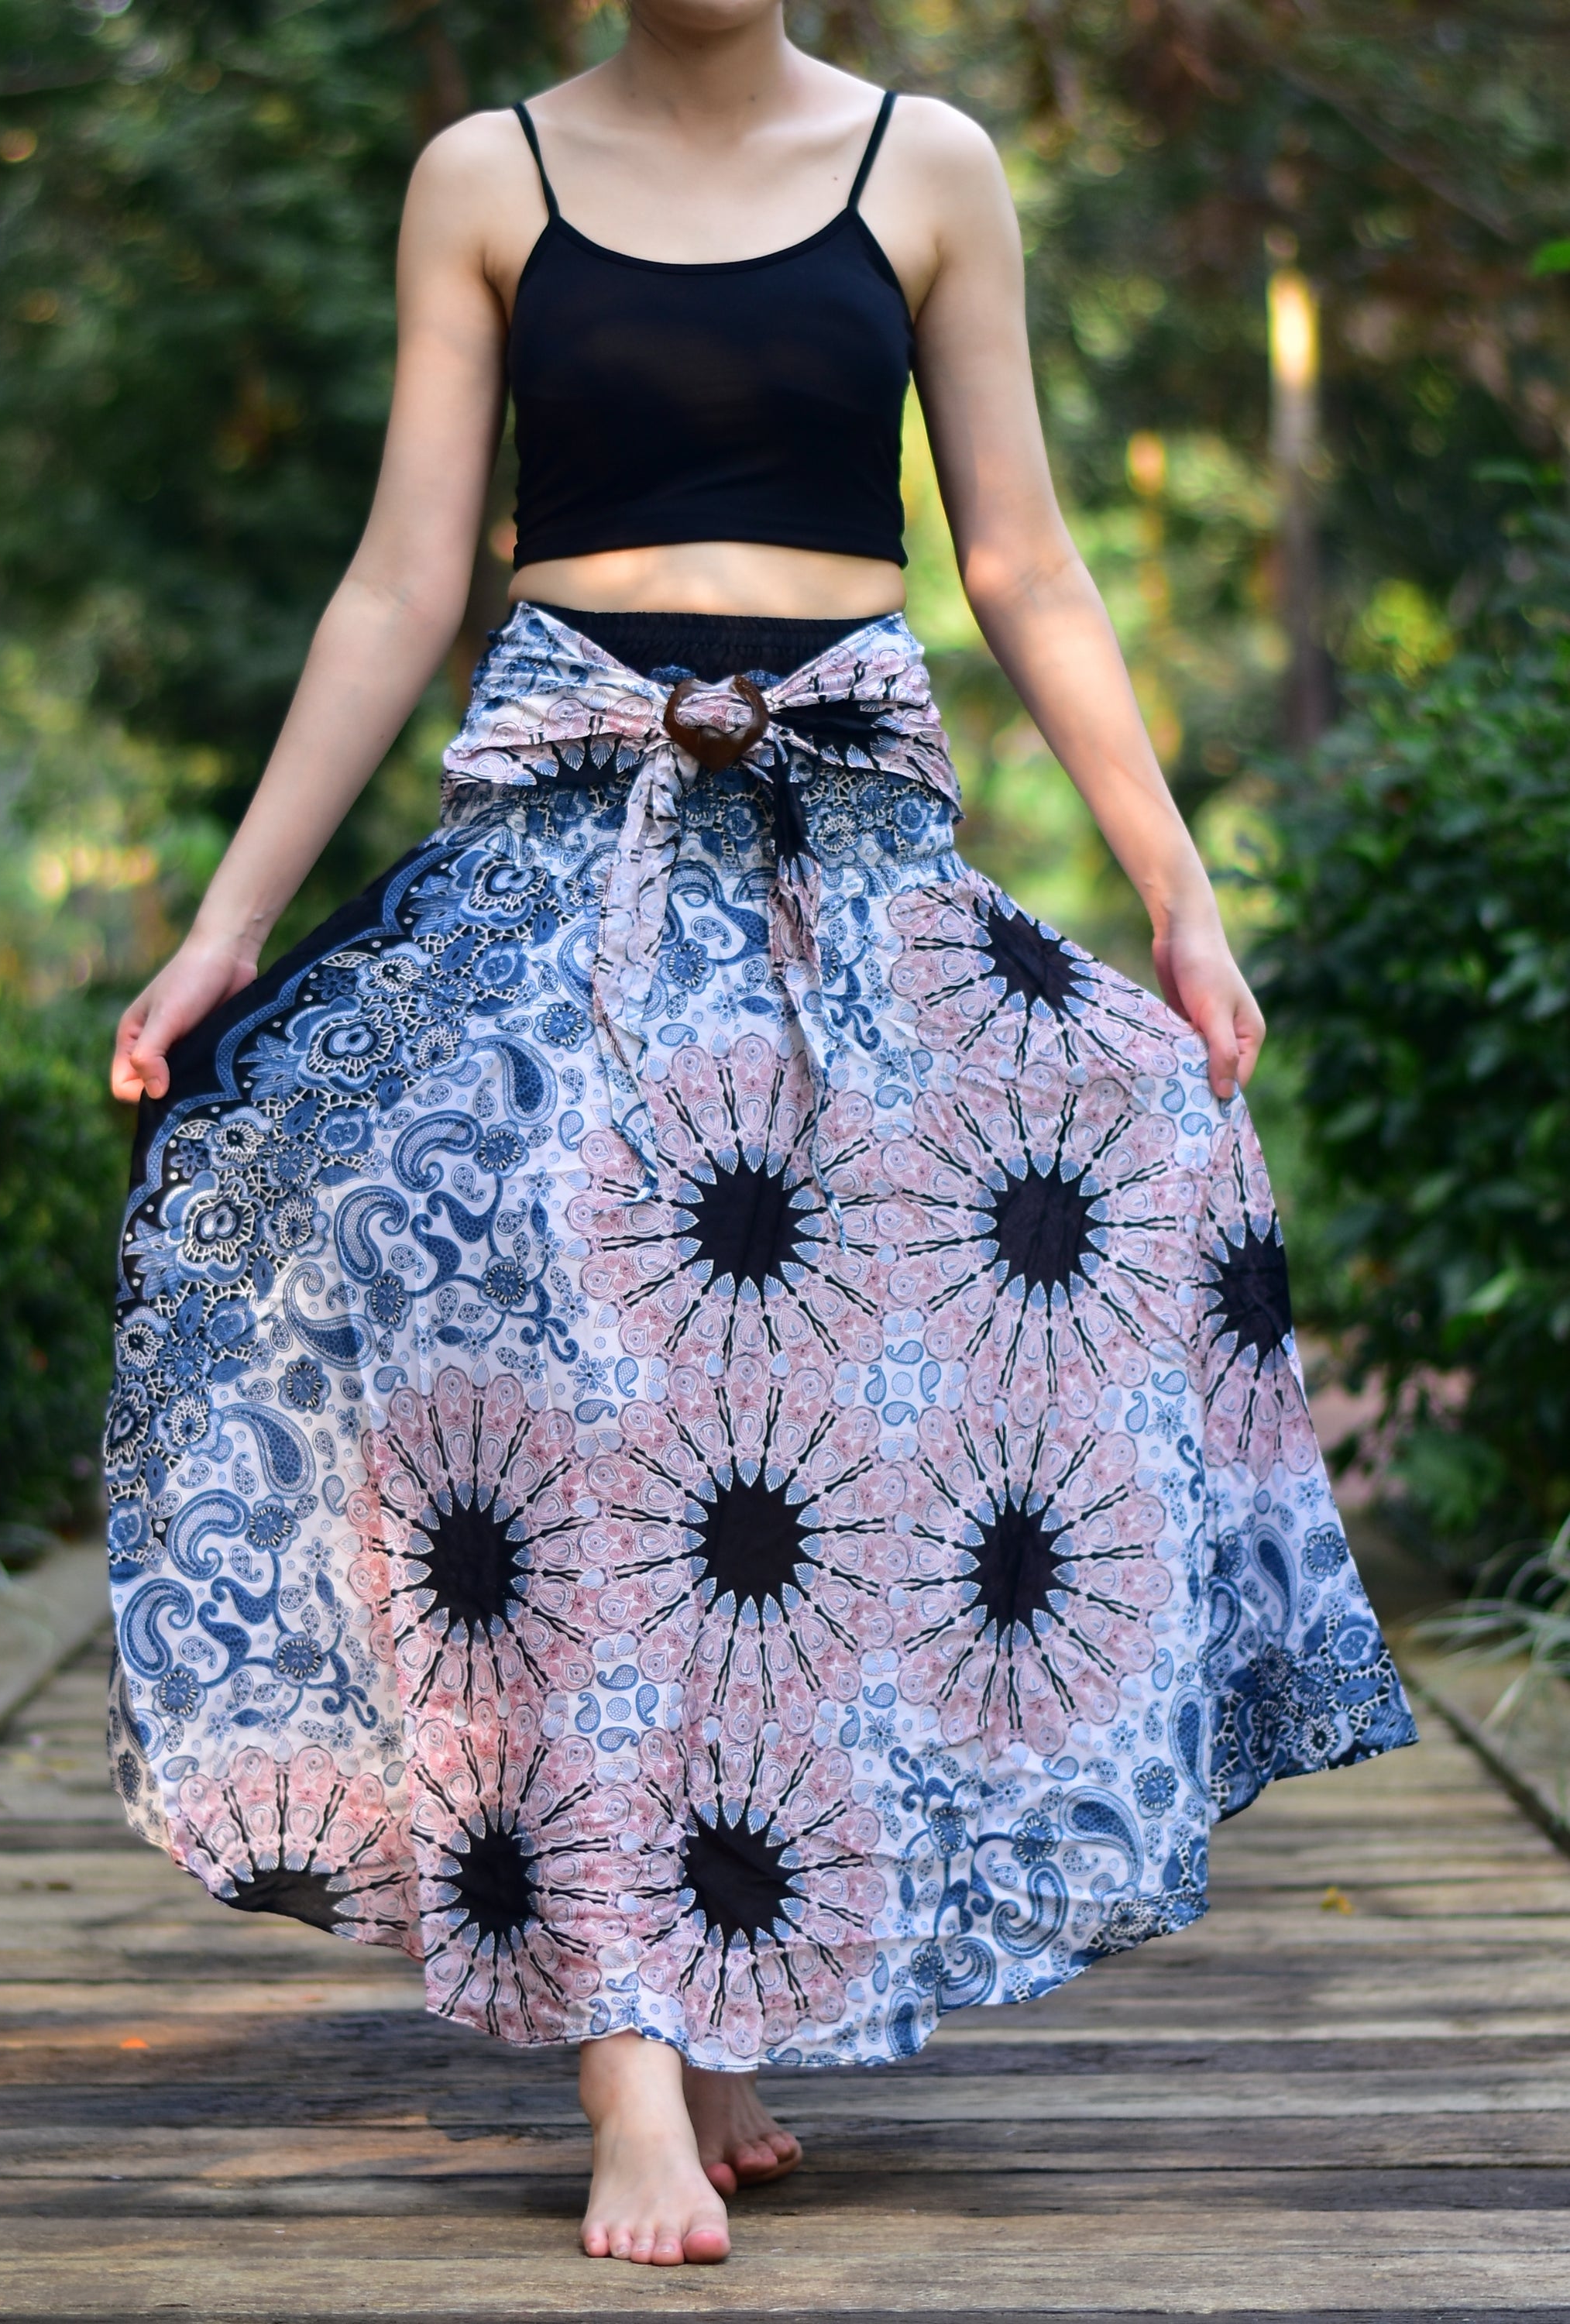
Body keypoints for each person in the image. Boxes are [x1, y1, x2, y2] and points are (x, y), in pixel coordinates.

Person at [104, 0, 1416, 2271]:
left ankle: (722, 1992)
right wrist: (226, 928)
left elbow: (1020, 563)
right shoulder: (482, 176)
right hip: (559, 857)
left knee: (809, 1418)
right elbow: (403, 581)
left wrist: (1180, 900)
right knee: (578, 1416)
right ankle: (629, 2050)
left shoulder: (932, 165)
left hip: (853, 852)